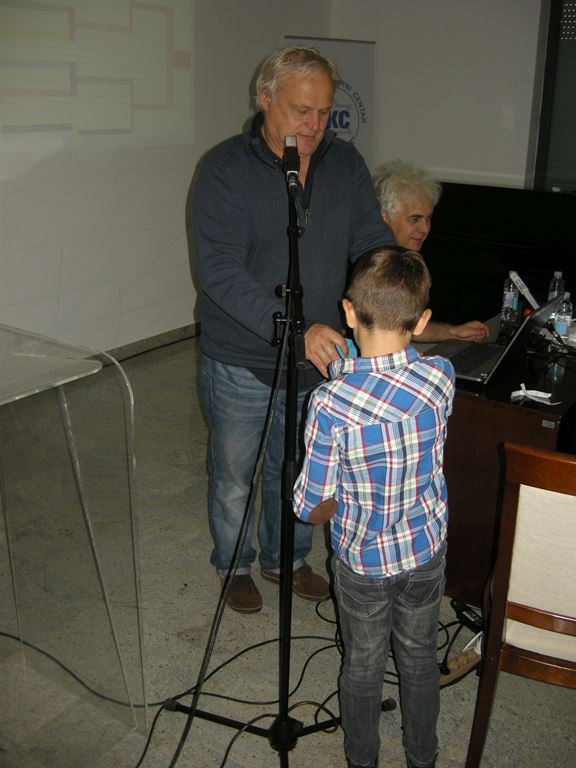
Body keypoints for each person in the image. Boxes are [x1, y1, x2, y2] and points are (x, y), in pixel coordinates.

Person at [189, 46, 395, 613]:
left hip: (317, 356)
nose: (314, 125)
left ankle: (288, 558)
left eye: (324, 112)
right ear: (264, 98)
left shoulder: (344, 164)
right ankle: (234, 563)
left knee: (302, 467)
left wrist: (392, 287)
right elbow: (220, 273)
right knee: (235, 475)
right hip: (242, 356)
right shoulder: (225, 171)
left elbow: (369, 239)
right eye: (302, 110)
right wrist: (293, 329)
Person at [293, 248, 455, 768]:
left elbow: (312, 506)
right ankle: (422, 756)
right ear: (422, 321)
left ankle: (362, 760)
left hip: (363, 562)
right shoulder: (441, 377)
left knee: (362, 665)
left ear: (347, 313)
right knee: (419, 657)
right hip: (424, 549)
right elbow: (396, 393)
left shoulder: (329, 402)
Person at [374, 159, 489, 344]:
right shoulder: (371, 264)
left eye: (428, 219)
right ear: (385, 217)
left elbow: (403, 325)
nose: (425, 229)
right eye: (415, 219)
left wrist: (453, 332)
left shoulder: (404, 258)